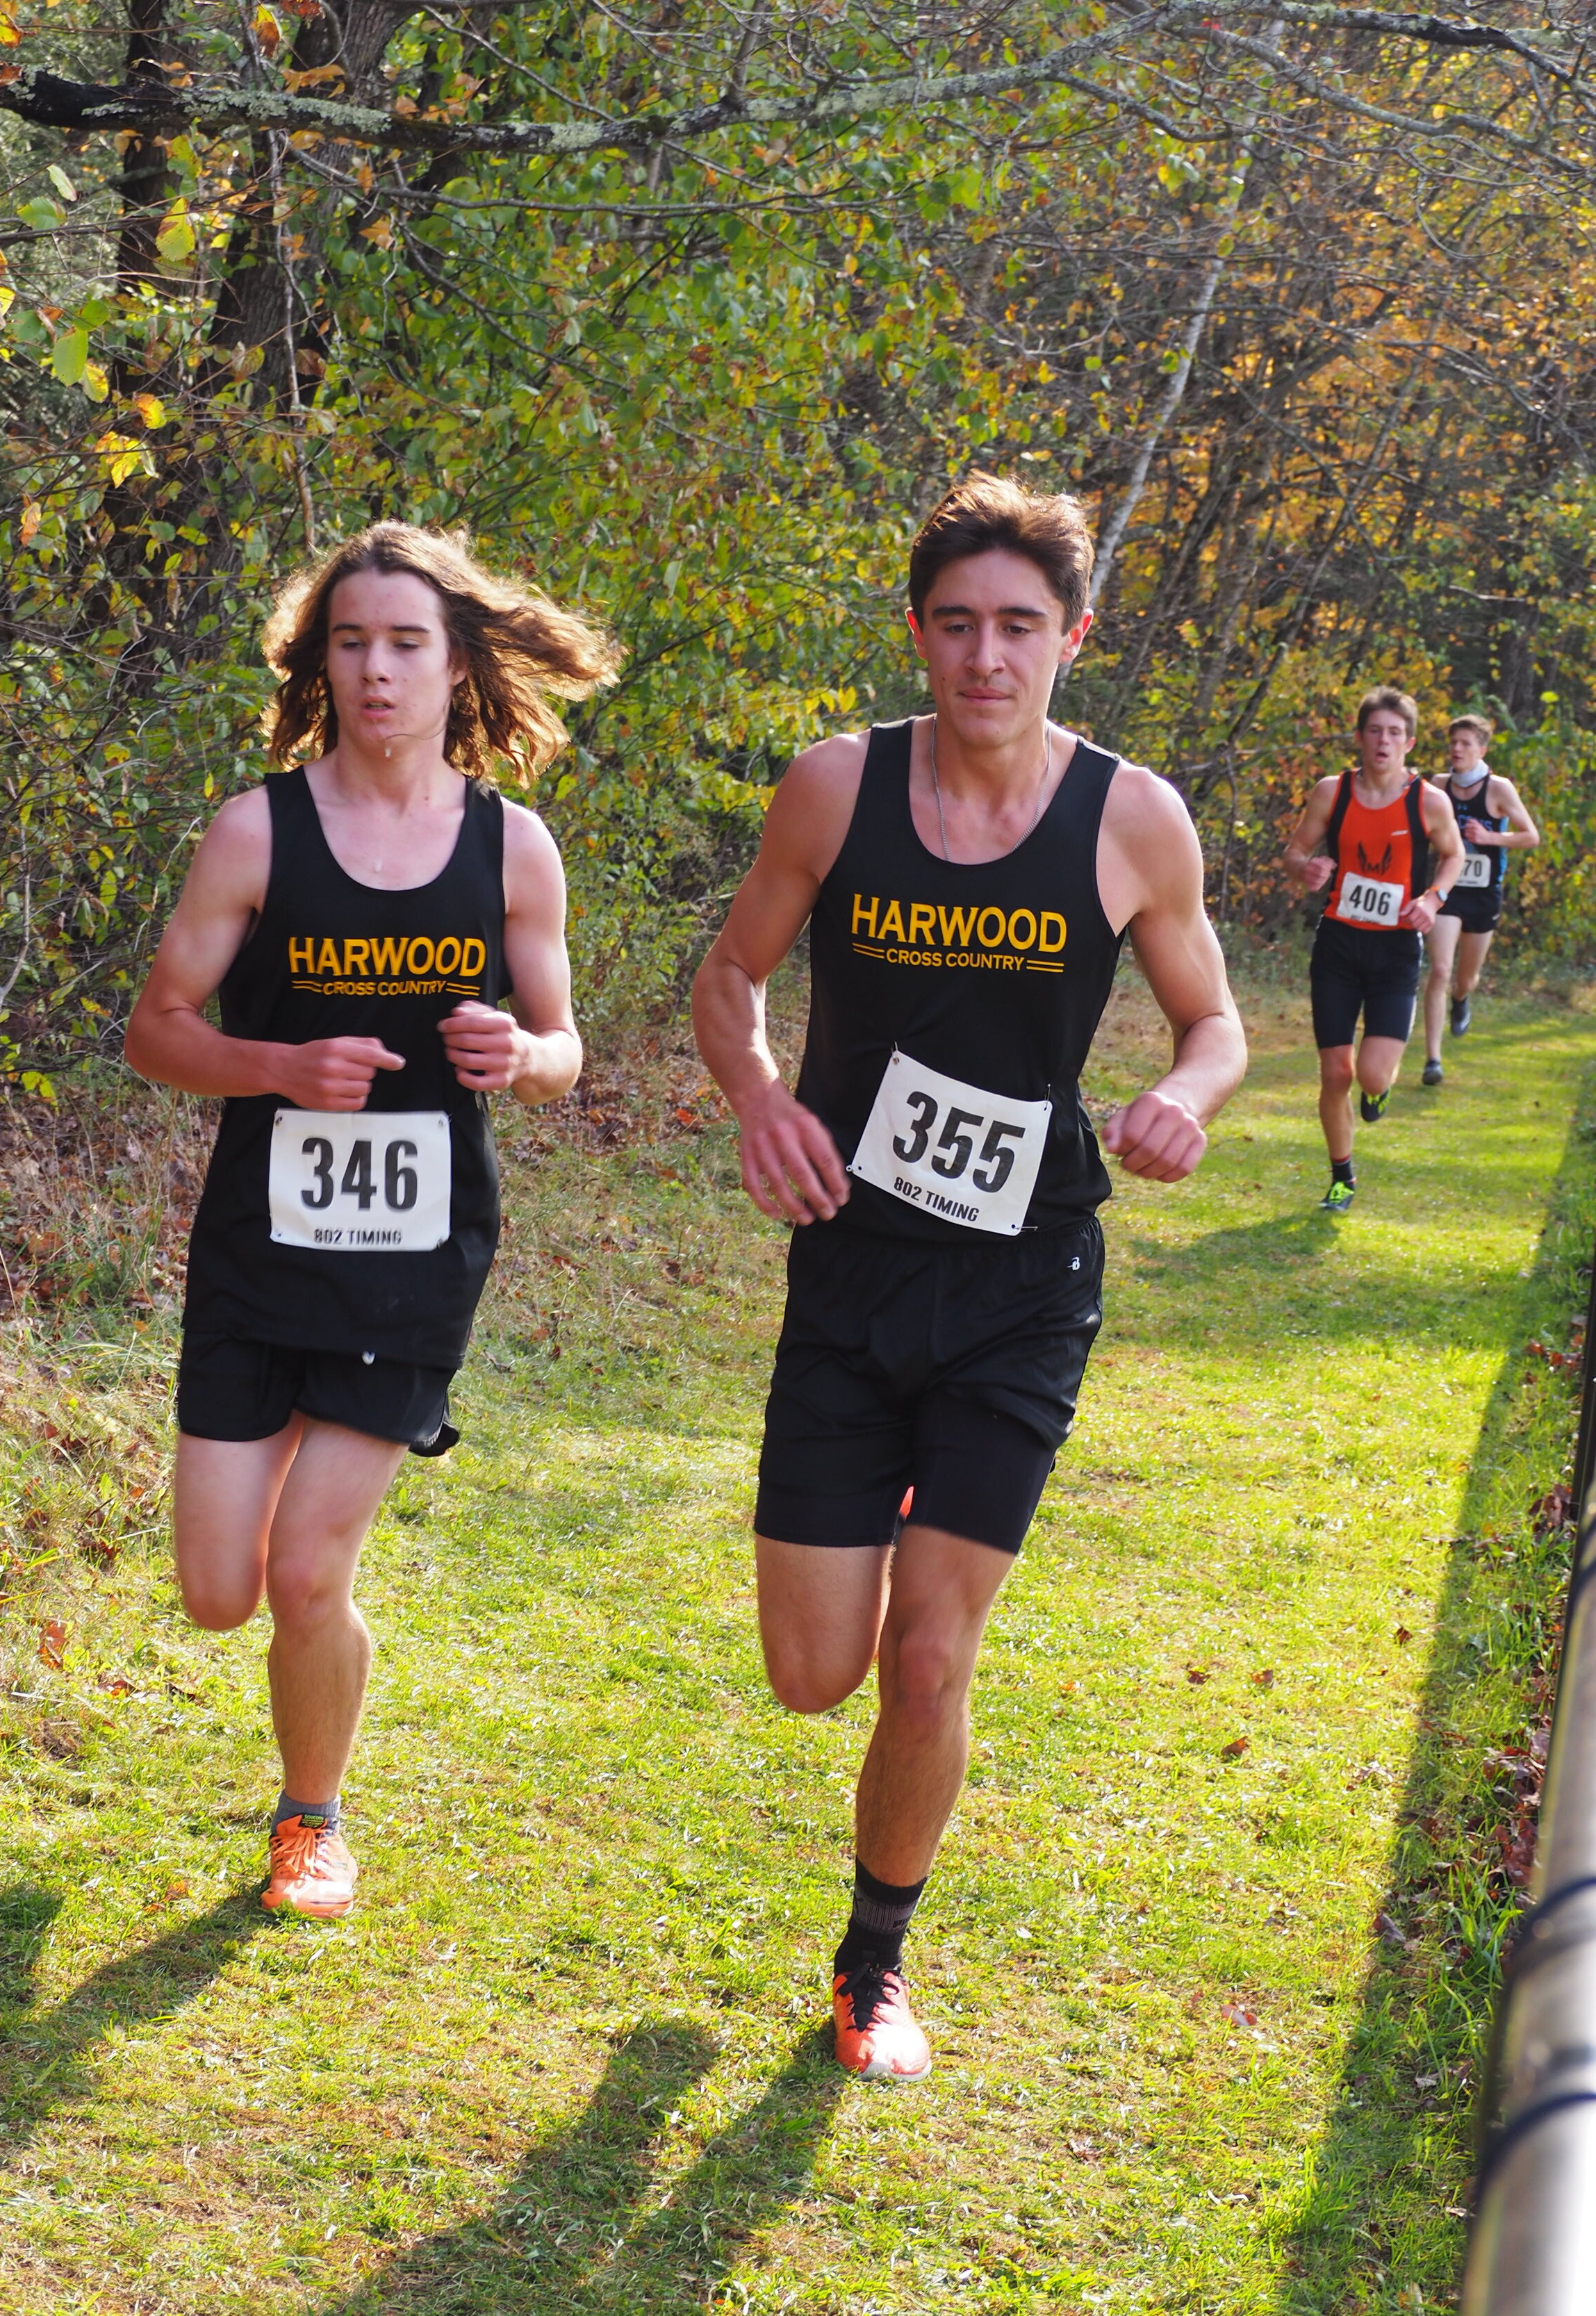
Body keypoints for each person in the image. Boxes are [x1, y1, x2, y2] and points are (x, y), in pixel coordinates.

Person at [691, 476, 1246, 2082]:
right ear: (918, 635)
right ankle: (866, 1904)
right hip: (854, 1273)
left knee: (930, 1656)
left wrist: (1182, 1098)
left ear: (1071, 637)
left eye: (1018, 627)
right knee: (816, 1675)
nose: (984, 658)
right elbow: (729, 975)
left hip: (1024, 1284)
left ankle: (874, 1969)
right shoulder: (834, 792)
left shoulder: (1131, 820)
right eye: (955, 625)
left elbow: (1213, 1023)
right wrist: (759, 1097)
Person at [124, 523, 617, 1919]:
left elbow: (565, 1043)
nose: (377, 669)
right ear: (319, 662)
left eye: (406, 642)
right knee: (220, 1588)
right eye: (351, 643)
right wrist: (277, 1066)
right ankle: (301, 1758)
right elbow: (156, 1032)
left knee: (304, 1565)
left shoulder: (510, 847)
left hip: (411, 1263)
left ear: (456, 660)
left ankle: (309, 1815)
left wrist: (520, 1057)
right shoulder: (257, 829)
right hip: (255, 1248)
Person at [1281, 687, 1462, 1213]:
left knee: (1372, 1075)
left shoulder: (1428, 800)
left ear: (1408, 743)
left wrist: (1433, 898)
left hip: (1397, 950)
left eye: (1394, 733)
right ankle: (1342, 1176)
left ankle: (1379, 1090)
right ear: (1360, 738)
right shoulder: (1331, 792)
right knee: (1336, 1072)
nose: (1384, 741)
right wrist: (1305, 868)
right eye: (1375, 731)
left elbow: (1453, 855)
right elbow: (1295, 851)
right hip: (1338, 943)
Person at [1420, 714, 1540, 1082]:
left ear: (1482, 750)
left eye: (1466, 743)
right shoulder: (1438, 786)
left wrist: (1490, 839)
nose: (1456, 749)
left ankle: (1462, 999)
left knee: (1464, 978)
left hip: (1485, 894)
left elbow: (1531, 836)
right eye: (1453, 742)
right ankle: (1433, 1061)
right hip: (1447, 891)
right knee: (1439, 969)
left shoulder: (1499, 788)